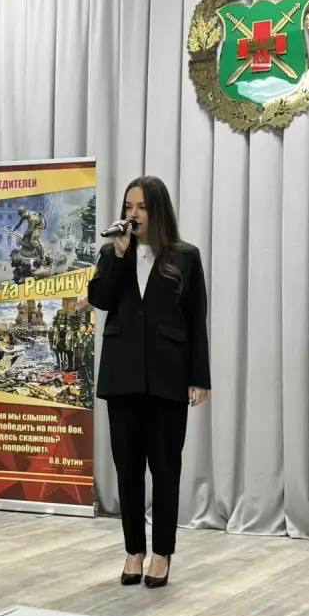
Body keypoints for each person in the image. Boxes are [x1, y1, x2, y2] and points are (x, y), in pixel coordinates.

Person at [88, 175, 209, 589]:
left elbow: (196, 320)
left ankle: (162, 553)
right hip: (122, 376)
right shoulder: (112, 252)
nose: (133, 214)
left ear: (157, 210)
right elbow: (101, 299)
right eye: (128, 206)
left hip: (168, 376)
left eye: (141, 207)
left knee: (165, 468)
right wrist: (120, 256)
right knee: (127, 469)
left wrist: (199, 377)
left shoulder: (185, 256)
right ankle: (133, 551)